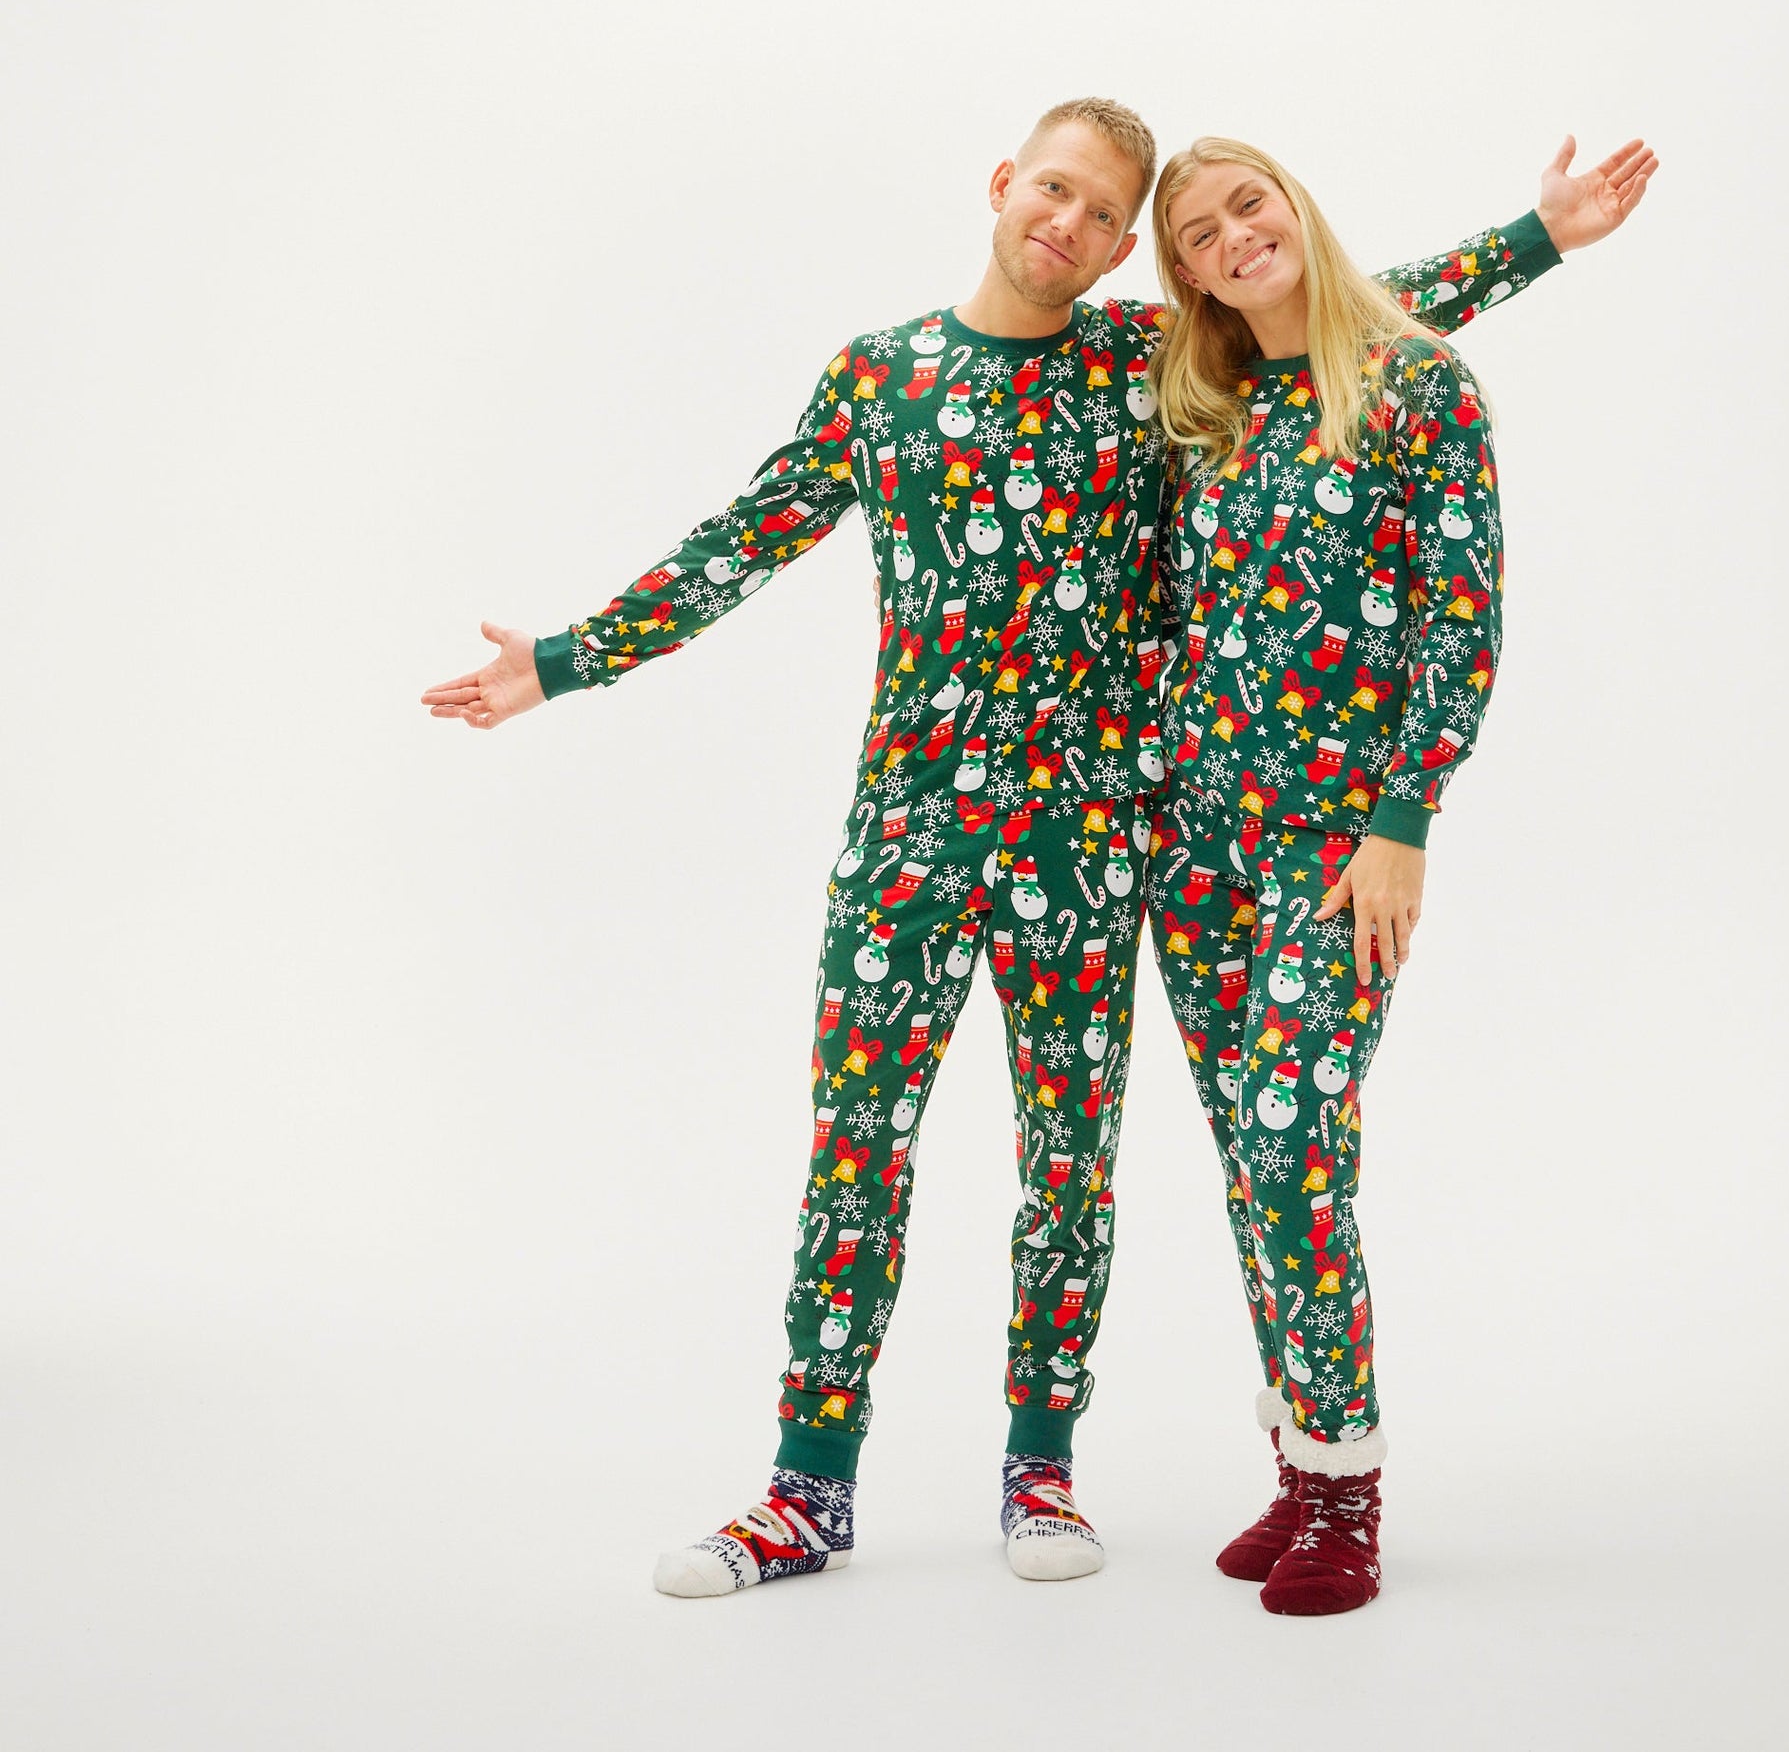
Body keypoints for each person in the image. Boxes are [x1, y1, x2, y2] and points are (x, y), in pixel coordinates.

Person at [419, 99, 1652, 1597]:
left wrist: (1536, 240)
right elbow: (741, 539)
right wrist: (563, 662)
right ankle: (807, 1491)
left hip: (1095, 840)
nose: (1070, 224)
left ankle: (1045, 1473)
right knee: (855, 1153)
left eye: (1107, 214)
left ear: (1129, 252)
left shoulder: (1152, 365)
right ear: (1005, 184)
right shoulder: (881, 377)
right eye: (1054, 191)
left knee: (1072, 1168)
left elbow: (1339, 306)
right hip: (911, 834)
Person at [1141, 132, 1648, 1616]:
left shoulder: (1417, 382)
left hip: (1334, 848)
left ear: (1293, 204)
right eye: (1198, 233)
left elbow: (1459, 620)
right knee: (1250, 1158)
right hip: (1196, 842)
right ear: (1184, 274)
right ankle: (1299, 1464)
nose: (1234, 238)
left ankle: (1350, 1492)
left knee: (1293, 1136)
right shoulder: (1207, 406)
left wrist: (1401, 822)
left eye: (1249, 205)